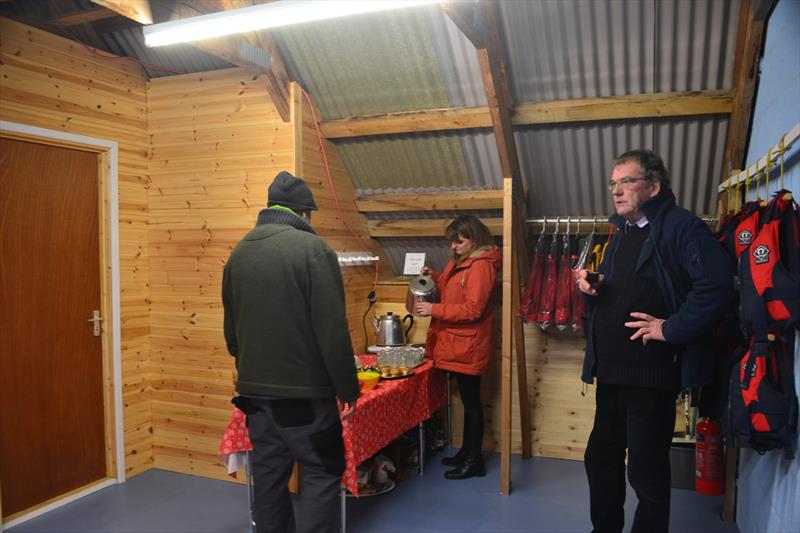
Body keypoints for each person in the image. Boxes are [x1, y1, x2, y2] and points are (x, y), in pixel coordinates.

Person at [576, 150, 735, 533]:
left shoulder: (682, 227)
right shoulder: (623, 231)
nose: (616, 190)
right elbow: (628, 287)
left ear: (654, 186)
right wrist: (594, 288)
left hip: (651, 375)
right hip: (612, 373)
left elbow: (717, 287)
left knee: (646, 473)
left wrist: (670, 328)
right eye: (613, 183)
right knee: (601, 460)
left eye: (626, 181)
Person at [222, 171, 359, 533]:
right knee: (321, 470)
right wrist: (349, 389)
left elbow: (231, 331)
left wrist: (249, 369)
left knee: (268, 476)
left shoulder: (240, 252)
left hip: (254, 395)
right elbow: (333, 334)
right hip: (306, 399)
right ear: (304, 215)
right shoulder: (313, 250)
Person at [413, 214, 501, 480]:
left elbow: (473, 308)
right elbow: (454, 289)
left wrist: (433, 309)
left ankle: (474, 460)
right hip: (457, 346)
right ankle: (466, 453)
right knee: (467, 402)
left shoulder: (481, 267)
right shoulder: (463, 261)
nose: (453, 247)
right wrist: (436, 276)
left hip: (468, 347)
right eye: (452, 242)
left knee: (472, 404)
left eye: (459, 242)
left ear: (474, 240)